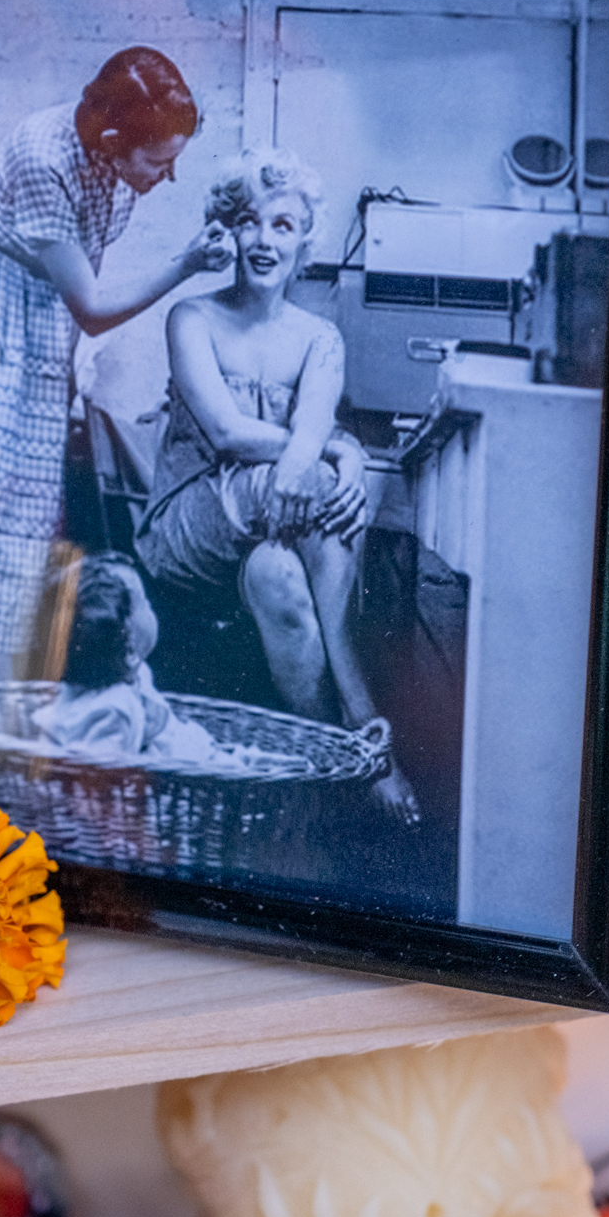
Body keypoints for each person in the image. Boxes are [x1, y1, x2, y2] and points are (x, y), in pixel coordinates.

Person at [0, 47, 233, 679]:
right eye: (159, 163)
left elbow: (82, 279)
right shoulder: (43, 157)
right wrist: (185, 264)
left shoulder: (112, 157)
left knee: (25, 521)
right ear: (114, 139)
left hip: (38, 325)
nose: (166, 178)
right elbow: (90, 304)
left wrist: (63, 368)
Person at [135, 149, 417, 821]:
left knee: (279, 578)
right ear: (226, 233)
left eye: (283, 226)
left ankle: (323, 769)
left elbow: (311, 430)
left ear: (304, 241)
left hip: (276, 535)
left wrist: (330, 448)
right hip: (188, 529)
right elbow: (231, 436)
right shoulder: (192, 318)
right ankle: (365, 729)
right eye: (248, 223)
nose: (264, 241)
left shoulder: (320, 337)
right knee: (305, 477)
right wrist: (341, 453)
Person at [31, 554, 224, 765]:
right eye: (145, 603)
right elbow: (101, 768)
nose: (151, 608)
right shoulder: (114, 708)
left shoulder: (131, 678)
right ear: (130, 648)